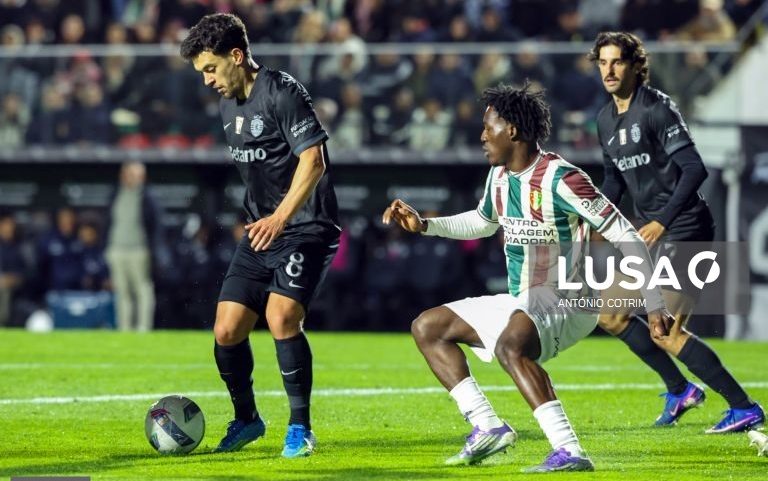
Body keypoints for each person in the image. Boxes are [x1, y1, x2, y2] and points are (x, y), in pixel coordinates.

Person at [383, 82, 672, 472]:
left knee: (509, 347)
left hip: (569, 297)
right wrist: (425, 225)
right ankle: (487, 427)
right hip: (525, 297)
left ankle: (569, 450)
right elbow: (483, 222)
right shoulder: (499, 177)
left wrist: (653, 301)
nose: (482, 135)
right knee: (428, 326)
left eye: (489, 127)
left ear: (513, 131)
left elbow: (624, 233)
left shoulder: (562, 178)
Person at [180, 14, 340, 458]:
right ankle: (247, 419)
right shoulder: (227, 102)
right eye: (202, 74)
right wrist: (257, 218)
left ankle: (301, 428)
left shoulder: (282, 92)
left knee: (282, 317)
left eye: (210, 69)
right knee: (227, 330)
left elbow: (314, 161)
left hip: (306, 226)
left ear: (237, 56)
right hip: (261, 230)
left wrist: (280, 217)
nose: (208, 80)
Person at [589, 31, 765, 432]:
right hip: (652, 237)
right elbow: (615, 182)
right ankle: (680, 389)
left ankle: (744, 407)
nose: (609, 70)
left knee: (665, 330)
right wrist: (591, 216)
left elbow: (695, 169)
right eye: (602, 62)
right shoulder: (604, 120)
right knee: (610, 315)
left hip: (685, 230)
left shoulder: (657, 108)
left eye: (617, 62)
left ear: (635, 65)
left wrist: (662, 220)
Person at [105, 162, 165, 332]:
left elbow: (155, 226)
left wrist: (153, 250)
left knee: (142, 289)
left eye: (133, 174)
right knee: (122, 292)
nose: (128, 177)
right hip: (116, 249)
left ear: (141, 177)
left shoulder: (147, 196)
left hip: (139, 250)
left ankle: (143, 327)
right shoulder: (116, 193)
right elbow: (108, 222)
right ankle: (124, 328)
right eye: (126, 173)